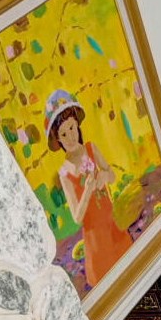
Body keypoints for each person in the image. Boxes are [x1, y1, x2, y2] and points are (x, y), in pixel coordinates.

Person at [47, 88, 133, 292]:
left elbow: (112, 174)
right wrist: (87, 191)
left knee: (129, 270)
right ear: (58, 140)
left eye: (71, 128)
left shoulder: (91, 148)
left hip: (112, 223)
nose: (70, 137)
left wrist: (104, 176)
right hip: (95, 238)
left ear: (77, 124)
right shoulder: (64, 173)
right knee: (110, 286)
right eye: (63, 134)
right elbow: (77, 217)